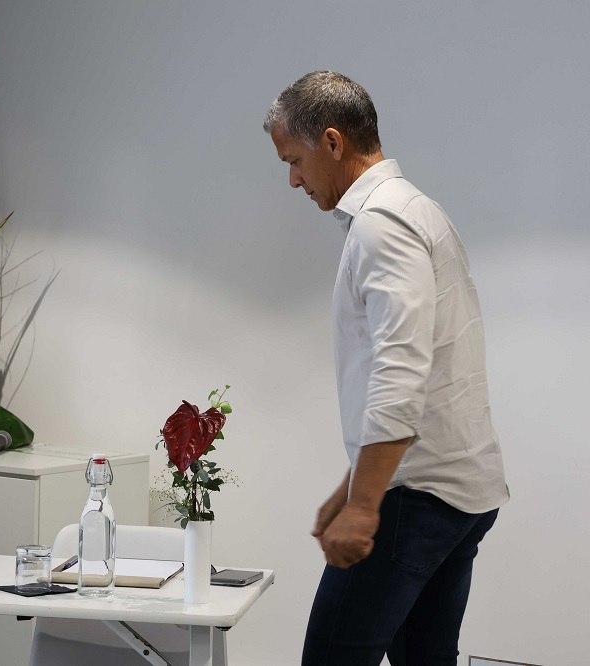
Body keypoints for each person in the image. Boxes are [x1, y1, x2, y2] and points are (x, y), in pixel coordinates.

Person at [262, 71, 509, 665]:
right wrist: (350, 487)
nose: (293, 180)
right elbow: (423, 369)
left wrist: (365, 504)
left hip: (414, 500)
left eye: (294, 161)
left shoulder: (382, 223)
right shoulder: (416, 209)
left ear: (332, 142)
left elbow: (401, 369)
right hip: (455, 493)